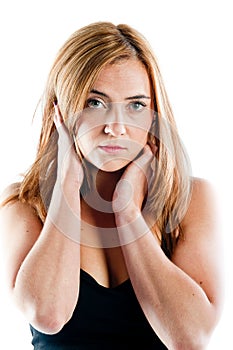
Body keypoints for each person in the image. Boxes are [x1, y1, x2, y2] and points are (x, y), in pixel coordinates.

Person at [0, 21, 223, 349]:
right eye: (95, 103)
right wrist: (66, 182)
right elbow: (47, 313)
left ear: (154, 114)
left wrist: (128, 211)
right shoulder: (24, 205)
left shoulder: (190, 199)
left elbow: (190, 338)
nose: (116, 128)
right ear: (60, 112)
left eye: (136, 105)